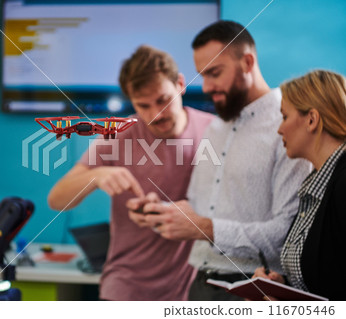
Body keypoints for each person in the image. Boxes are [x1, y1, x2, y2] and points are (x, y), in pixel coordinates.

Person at [129, 21, 311, 300]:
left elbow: (288, 234)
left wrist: (204, 228)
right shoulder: (215, 128)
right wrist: (161, 211)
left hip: (255, 289)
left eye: (214, 73)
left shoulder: (287, 127)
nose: (205, 86)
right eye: (202, 75)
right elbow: (199, 205)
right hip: (200, 284)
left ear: (247, 62)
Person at [47, 45, 215, 300]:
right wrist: (96, 175)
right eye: (143, 105)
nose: (155, 114)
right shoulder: (117, 137)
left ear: (180, 84)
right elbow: (57, 200)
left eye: (163, 100)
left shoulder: (216, 131)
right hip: (125, 288)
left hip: (193, 291)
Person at [253, 70, 346, 301]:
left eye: (284, 117)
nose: (279, 129)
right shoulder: (315, 182)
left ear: (312, 120)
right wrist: (283, 286)